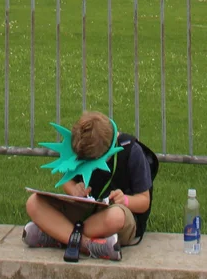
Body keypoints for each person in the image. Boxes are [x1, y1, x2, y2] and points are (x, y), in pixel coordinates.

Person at [24, 110, 155, 261]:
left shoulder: (132, 150)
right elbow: (67, 180)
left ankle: (57, 235)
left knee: (116, 217)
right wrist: (73, 189)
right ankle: (87, 244)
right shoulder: (81, 145)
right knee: (33, 203)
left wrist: (124, 200)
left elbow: (144, 201)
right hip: (86, 211)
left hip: (116, 216)